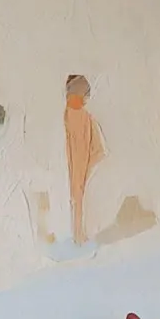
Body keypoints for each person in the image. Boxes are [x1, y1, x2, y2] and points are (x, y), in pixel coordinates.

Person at [64, 75, 105, 244]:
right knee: (76, 199)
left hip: (79, 167)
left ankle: (78, 235)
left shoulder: (83, 117)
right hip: (74, 166)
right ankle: (77, 235)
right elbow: (99, 149)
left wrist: (88, 165)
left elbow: (99, 149)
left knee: (78, 199)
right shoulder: (77, 116)